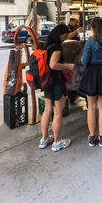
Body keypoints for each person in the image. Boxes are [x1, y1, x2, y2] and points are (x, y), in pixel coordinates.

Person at [39, 24, 75, 152]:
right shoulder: (57, 47)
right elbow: (53, 65)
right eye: (65, 36)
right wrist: (67, 66)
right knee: (58, 113)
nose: (65, 38)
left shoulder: (47, 44)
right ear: (60, 34)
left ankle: (44, 139)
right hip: (57, 81)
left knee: (47, 110)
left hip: (47, 81)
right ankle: (57, 141)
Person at [80, 17, 102, 147]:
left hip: (91, 73)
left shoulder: (90, 42)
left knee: (91, 107)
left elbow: (84, 61)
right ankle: (101, 137)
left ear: (92, 27)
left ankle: (91, 137)